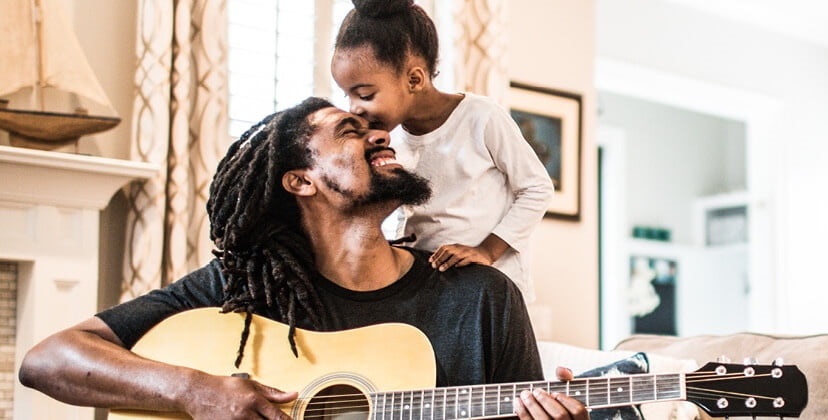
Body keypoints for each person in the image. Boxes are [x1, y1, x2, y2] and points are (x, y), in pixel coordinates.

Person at [18, 98, 588, 420]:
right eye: (350, 130)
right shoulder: (244, 289)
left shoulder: (479, 296)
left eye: (375, 128)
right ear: (300, 181)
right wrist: (197, 391)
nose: (381, 136)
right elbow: (49, 359)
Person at [331, 0, 554, 302]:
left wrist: (486, 251)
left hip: (493, 290)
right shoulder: (388, 142)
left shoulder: (481, 117)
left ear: (414, 79)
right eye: (348, 96)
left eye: (365, 94)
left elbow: (537, 188)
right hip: (432, 290)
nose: (354, 108)